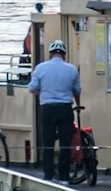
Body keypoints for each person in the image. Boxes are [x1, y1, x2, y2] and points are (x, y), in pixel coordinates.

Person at [29, 40, 81, 182]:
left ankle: (48, 177)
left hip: (48, 109)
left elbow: (32, 88)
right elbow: (77, 91)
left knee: (48, 144)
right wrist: (78, 105)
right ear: (64, 54)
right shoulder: (72, 69)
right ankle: (64, 178)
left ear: (50, 54)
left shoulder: (40, 68)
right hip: (65, 109)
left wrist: (43, 93)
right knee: (65, 144)